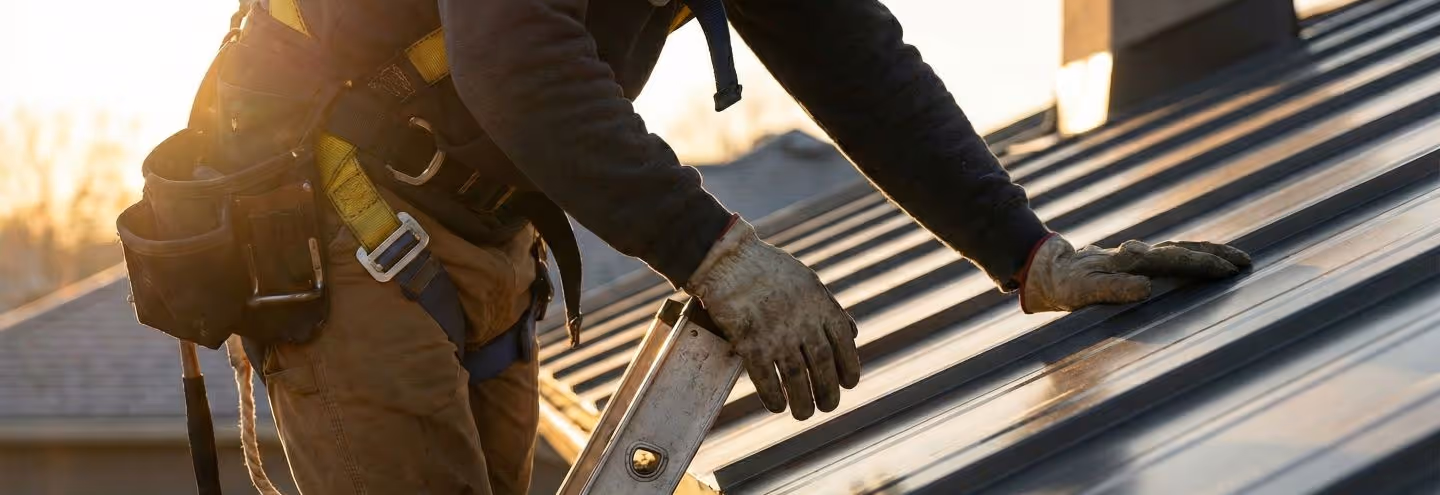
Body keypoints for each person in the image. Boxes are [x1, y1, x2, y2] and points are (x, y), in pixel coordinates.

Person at [207, 0, 1251, 493]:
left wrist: (1027, 255)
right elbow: (517, 64)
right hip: (350, 229)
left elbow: (851, 60)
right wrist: (720, 257)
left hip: (482, 235)